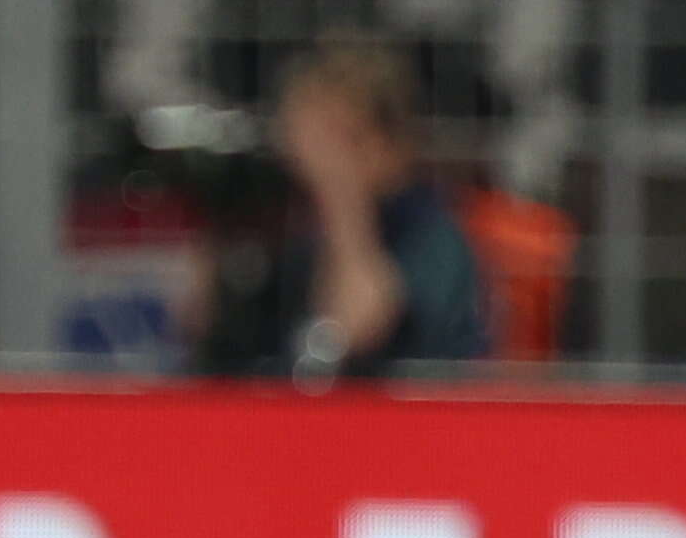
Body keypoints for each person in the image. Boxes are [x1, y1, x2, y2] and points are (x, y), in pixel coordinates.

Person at [192, 36, 487, 383]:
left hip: (411, 421)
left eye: (329, 138)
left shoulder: (430, 234)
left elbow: (357, 324)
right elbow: (204, 333)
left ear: (381, 140)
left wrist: (340, 191)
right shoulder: (294, 234)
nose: (302, 159)